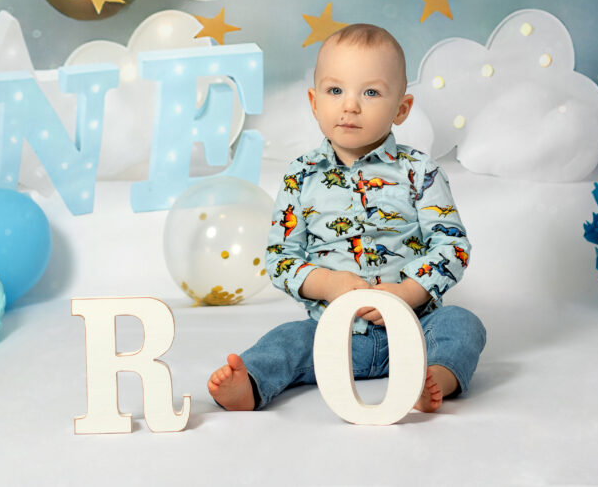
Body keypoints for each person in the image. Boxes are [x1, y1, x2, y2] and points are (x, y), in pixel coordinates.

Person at [207, 23, 485, 412]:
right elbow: (280, 258)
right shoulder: (301, 175)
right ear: (314, 101)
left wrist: (409, 292)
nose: (350, 105)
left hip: (413, 330)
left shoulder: (419, 171)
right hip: (331, 335)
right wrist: (327, 283)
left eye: (370, 92)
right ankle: (250, 384)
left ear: (402, 109)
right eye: (335, 91)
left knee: (463, 324)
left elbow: (452, 246)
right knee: (287, 340)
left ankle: (433, 377)